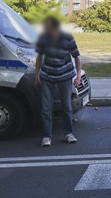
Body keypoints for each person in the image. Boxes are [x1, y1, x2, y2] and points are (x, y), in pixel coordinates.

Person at [34, 16, 82, 147]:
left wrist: (78, 76)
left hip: (65, 75)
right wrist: (36, 75)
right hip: (47, 76)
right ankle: (47, 136)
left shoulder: (68, 38)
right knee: (45, 108)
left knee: (66, 106)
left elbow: (76, 57)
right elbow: (39, 57)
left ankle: (68, 133)